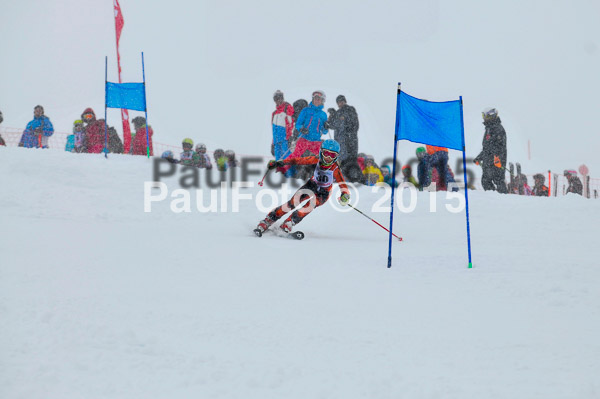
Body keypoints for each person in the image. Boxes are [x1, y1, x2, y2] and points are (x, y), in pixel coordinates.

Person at [255, 139, 350, 234]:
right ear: (321, 152)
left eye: (332, 155)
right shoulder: (316, 160)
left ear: (336, 157)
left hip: (324, 193)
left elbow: (343, 185)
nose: (328, 157)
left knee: (308, 206)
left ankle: (289, 222)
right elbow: (298, 160)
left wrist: (345, 195)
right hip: (312, 185)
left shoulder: (335, 169)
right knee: (292, 203)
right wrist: (281, 162)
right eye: (326, 153)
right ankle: (269, 219)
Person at [326, 95, 362, 182]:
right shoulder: (338, 113)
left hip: (349, 140)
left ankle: (355, 179)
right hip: (340, 141)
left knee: (350, 160)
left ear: (345, 101)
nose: (340, 103)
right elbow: (332, 125)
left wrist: (341, 119)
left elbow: (353, 124)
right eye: (338, 102)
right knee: (342, 160)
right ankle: (345, 178)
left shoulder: (350, 110)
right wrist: (332, 116)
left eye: (342, 101)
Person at [285, 90, 329, 160]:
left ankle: (330, 170)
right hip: (304, 139)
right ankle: (283, 165)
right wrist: (301, 129)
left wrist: (326, 127)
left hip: (316, 141)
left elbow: (324, 132)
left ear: (322, 101)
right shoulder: (306, 110)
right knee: (295, 156)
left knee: (324, 157)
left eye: (318, 99)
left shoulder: (323, 115)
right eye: (315, 98)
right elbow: (298, 124)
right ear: (313, 99)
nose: (316, 100)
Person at [474, 107, 508, 193]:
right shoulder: (489, 129)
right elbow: (487, 148)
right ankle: (494, 197)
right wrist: (479, 157)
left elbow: (501, 146)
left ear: (490, 116)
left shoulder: (498, 128)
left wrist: (498, 157)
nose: (483, 118)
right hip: (488, 160)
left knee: (498, 180)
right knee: (485, 181)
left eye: (484, 115)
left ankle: (504, 198)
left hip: (497, 161)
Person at [271, 90, 294, 161]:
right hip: (276, 142)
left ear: (282, 98)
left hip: (285, 140)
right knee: (278, 162)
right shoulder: (274, 113)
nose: (277, 100)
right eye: (275, 99)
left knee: (287, 161)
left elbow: (292, 123)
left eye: (279, 98)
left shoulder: (287, 108)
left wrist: (290, 137)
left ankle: (290, 171)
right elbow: (274, 129)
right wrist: (272, 143)